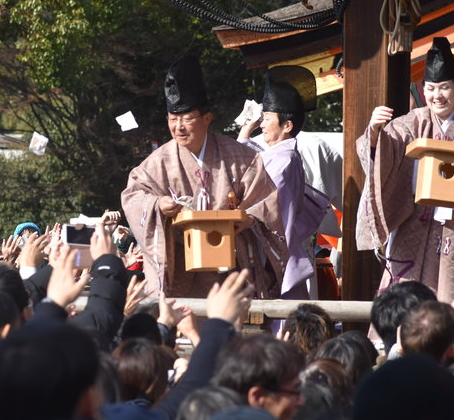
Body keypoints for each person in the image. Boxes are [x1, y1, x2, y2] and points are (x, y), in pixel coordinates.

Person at [121, 58, 286, 297]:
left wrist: (247, 219)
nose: (178, 127)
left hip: (231, 269)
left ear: (207, 118)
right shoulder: (158, 162)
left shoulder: (241, 157)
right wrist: (157, 204)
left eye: (187, 119)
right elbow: (133, 196)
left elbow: (267, 202)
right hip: (180, 270)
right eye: (172, 119)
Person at [356, 37, 454, 302]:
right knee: (405, 296)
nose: (436, 96)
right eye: (430, 88)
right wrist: (374, 132)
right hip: (415, 222)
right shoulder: (411, 123)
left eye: (444, 88)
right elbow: (384, 151)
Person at [238, 65, 330, 299]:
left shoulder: (285, 160)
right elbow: (248, 161)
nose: (262, 124)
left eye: (267, 119)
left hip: (272, 249)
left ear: (286, 125)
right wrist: (247, 129)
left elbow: (257, 192)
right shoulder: (277, 155)